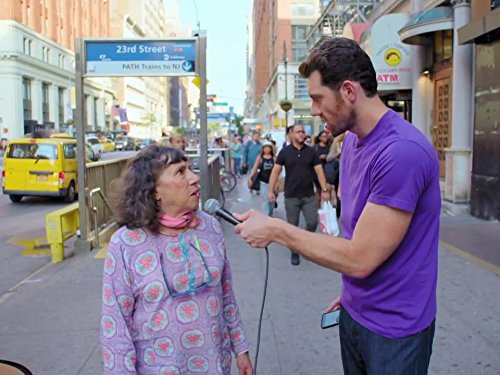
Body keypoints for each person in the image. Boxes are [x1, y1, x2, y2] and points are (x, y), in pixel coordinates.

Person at [235, 36, 440, 374]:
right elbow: (357, 233)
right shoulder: (354, 143)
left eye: (317, 98)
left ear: (348, 91)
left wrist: (276, 228)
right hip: (354, 312)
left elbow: (360, 258)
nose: (314, 110)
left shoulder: (402, 151)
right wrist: (353, 297)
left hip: (395, 332)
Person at [101, 145, 253, 374]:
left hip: (215, 364)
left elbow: (226, 294)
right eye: (181, 172)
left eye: (190, 168)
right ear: (154, 191)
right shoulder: (125, 243)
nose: (195, 178)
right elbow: (116, 325)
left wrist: (240, 349)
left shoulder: (210, 227)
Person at [266, 123, 331, 266]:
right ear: (292, 134)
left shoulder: (311, 152)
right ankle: (294, 252)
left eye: (303, 132)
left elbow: (319, 171)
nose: (302, 134)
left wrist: (325, 190)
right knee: (292, 226)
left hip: (309, 194)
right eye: (299, 132)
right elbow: (275, 172)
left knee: (312, 222)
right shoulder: (284, 152)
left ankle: (304, 243)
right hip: (291, 195)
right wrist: (271, 190)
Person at [247, 140, 276, 216]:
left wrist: (278, 182)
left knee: (272, 201)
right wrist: (250, 177)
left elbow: (277, 170)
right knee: (265, 200)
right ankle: (266, 217)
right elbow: (255, 167)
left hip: (273, 183)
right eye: (265, 148)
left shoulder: (274, 158)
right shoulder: (260, 157)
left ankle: (270, 214)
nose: (266, 149)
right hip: (263, 182)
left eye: (268, 147)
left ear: (271, 149)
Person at [313, 130, 332, 207]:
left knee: (328, 189)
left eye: (326, 136)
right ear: (320, 137)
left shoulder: (330, 147)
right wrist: (319, 157)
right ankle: (318, 207)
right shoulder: (315, 147)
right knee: (319, 190)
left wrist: (328, 157)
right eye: (324, 136)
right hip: (317, 171)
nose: (325, 138)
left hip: (328, 170)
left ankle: (327, 207)